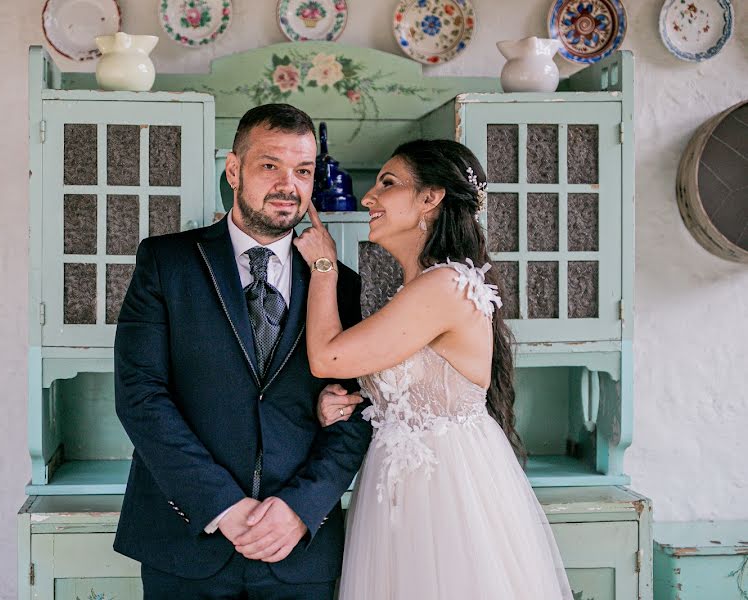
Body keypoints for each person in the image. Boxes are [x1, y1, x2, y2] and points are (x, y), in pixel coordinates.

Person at [293, 139, 574, 599]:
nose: (369, 198)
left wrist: (324, 264)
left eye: (387, 183)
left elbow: (328, 357)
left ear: (430, 198)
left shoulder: (444, 286)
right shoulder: (427, 286)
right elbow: (419, 382)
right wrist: (354, 399)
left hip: (441, 495)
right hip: (401, 489)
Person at [112, 103, 372, 599]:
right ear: (234, 170)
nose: (287, 184)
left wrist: (300, 507)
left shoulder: (342, 286)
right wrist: (222, 507)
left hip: (300, 550)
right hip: (185, 540)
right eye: (269, 165)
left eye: (303, 170)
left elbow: (362, 411)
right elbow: (140, 395)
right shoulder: (165, 263)